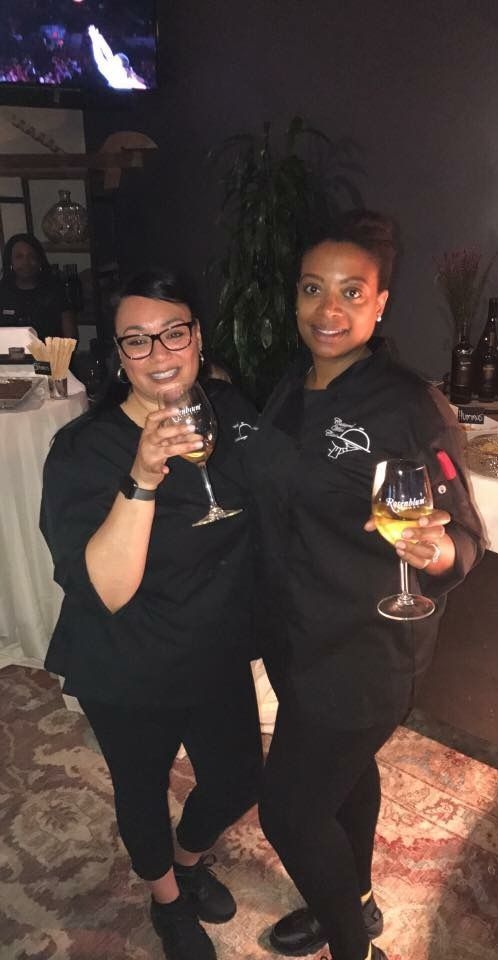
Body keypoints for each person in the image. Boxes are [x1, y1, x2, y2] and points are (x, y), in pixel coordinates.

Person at [246, 211, 485, 960]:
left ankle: (355, 950)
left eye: (353, 291)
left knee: (287, 813)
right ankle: (357, 902)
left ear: (381, 305)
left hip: (366, 648)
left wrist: (441, 551)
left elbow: (468, 537)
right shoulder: (288, 383)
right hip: (294, 633)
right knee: (343, 781)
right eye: (314, 289)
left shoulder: (410, 405)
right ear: (295, 298)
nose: (330, 308)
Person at [40, 271, 262, 960]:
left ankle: (191, 863)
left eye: (173, 332)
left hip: (212, 643)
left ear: (196, 338)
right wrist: (141, 475)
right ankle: (167, 900)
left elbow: (279, 490)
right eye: (138, 340)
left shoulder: (226, 408)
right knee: (141, 788)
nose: (159, 351)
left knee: (236, 777)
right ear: (119, 353)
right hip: (126, 655)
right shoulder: (83, 452)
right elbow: (105, 588)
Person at [0, 233, 77, 340]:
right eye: (19, 257)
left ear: (39, 260)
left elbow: (71, 337)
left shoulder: (55, 291)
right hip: (9, 356)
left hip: (50, 355)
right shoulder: (2, 293)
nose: (26, 262)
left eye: (31, 256)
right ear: (10, 262)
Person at [88, 24, 147, 90]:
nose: (113, 58)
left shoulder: (114, 72)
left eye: (115, 58)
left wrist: (95, 37)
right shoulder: (112, 72)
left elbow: (103, 55)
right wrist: (96, 37)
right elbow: (104, 54)